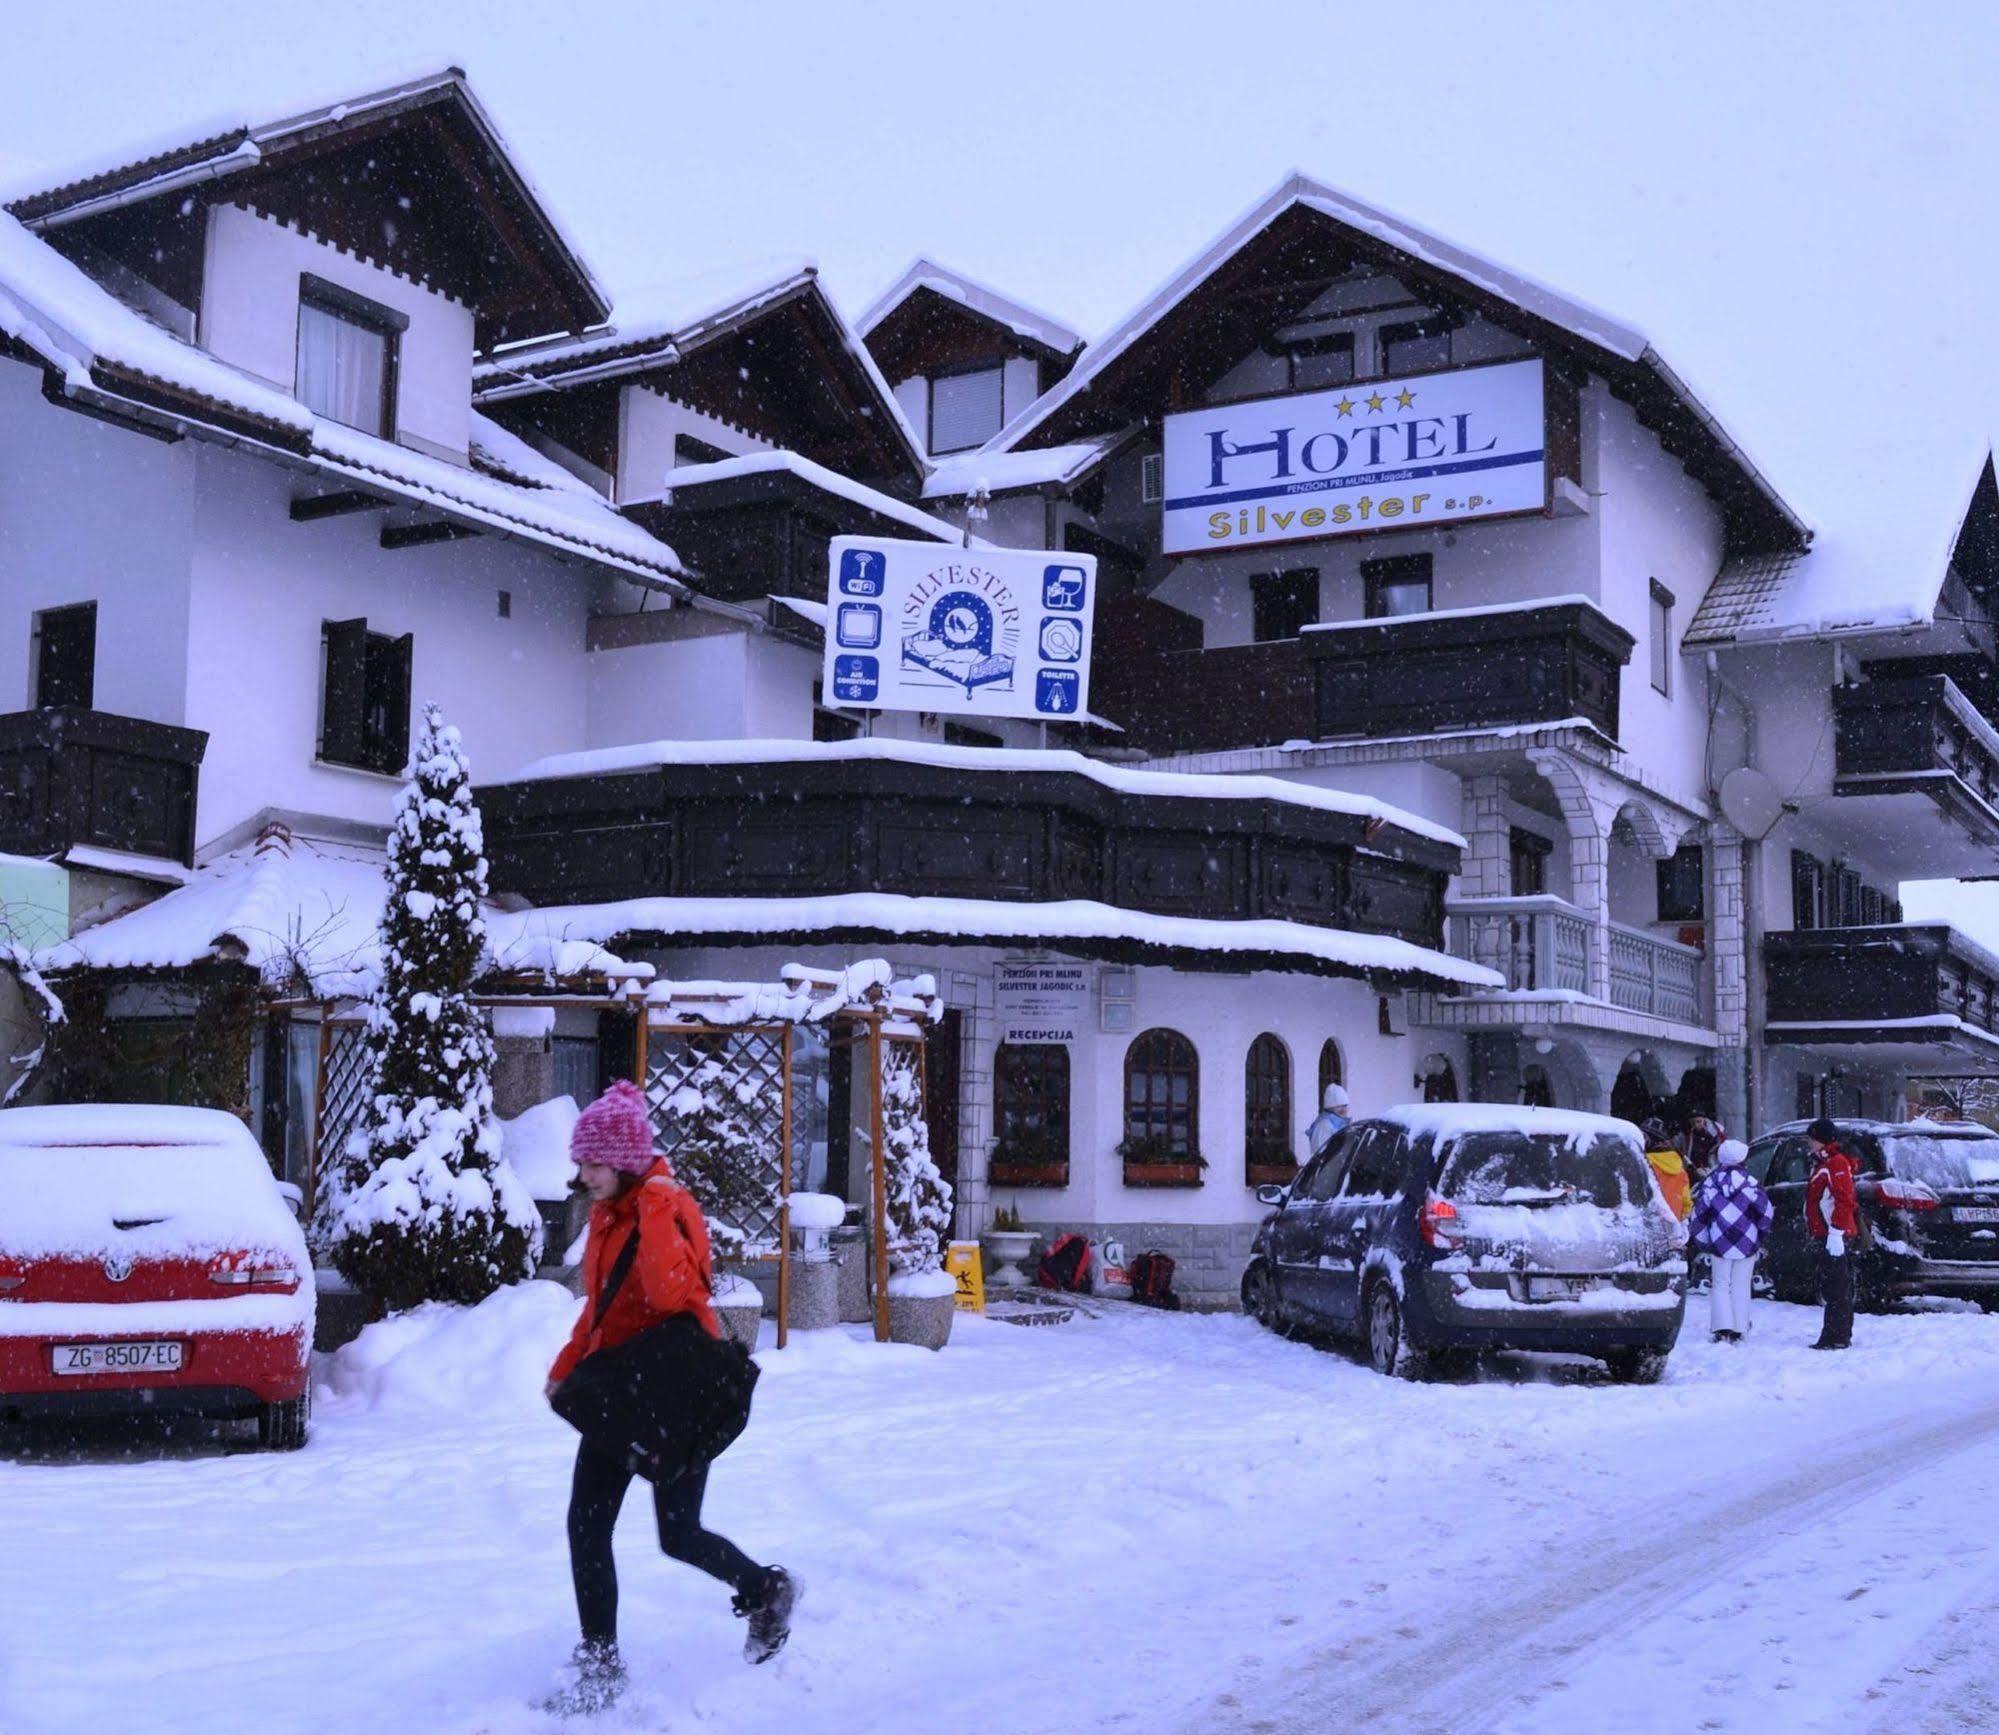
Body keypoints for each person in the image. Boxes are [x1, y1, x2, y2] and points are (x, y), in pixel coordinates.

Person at [541, 1081, 797, 1716]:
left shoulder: (666, 1208)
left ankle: (765, 1590)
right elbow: (600, 1314)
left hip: (678, 1394)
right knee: (586, 1525)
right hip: (620, 1395)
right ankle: (599, 1660)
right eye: (581, 1163)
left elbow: (668, 1294)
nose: (584, 1175)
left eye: (594, 1163)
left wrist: (655, 1205)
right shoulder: (605, 1218)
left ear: (625, 1162)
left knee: (678, 1534)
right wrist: (567, 1366)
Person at [1687, 1139, 1773, 1342]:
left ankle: (1722, 1327)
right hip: (1747, 1241)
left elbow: (1698, 1216)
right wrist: (1760, 1233)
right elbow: (1765, 1212)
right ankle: (1739, 1326)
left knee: (1720, 1283)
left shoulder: (1709, 1183)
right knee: (1741, 1284)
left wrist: (1703, 1239)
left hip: (1719, 1240)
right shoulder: (1751, 1183)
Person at [1804, 1116, 1859, 1351]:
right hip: (1827, 1233)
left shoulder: (1835, 1163)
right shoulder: (1824, 1163)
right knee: (1834, 1285)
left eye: (1811, 1138)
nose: (1808, 1143)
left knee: (1837, 1287)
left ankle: (1836, 1337)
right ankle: (1836, 1334)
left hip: (1833, 1234)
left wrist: (1836, 1232)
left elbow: (1844, 1199)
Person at [1641, 1117, 1693, 1222]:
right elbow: (1686, 1202)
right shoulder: (1680, 1168)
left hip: (1650, 1223)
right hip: (1673, 1222)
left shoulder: (1644, 1164)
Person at [1305, 1082, 1350, 1160]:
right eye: (1339, 1106)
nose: (1343, 1109)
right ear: (1330, 1107)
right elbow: (1320, 1153)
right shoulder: (1324, 1125)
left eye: (1345, 1105)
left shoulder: (1338, 1123)